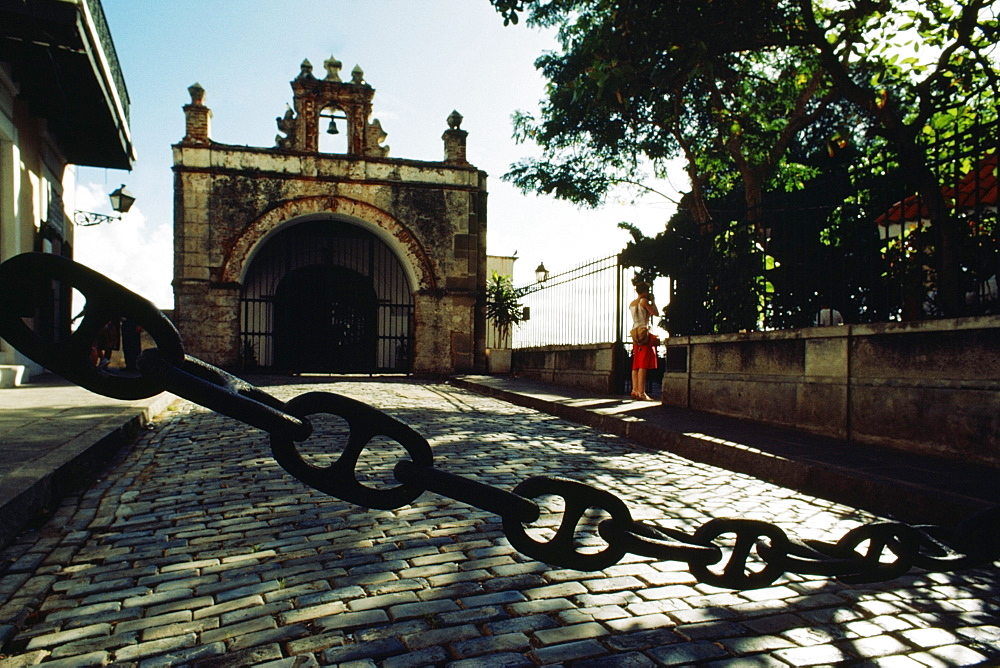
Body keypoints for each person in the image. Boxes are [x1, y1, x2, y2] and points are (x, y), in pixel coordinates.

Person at [629, 281, 659, 401]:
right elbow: (655, 313)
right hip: (643, 332)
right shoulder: (644, 301)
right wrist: (654, 301)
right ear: (645, 291)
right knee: (643, 363)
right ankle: (642, 392)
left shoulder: (632, 303)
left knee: (636, 363)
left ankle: (635, 390)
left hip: (635, 332)